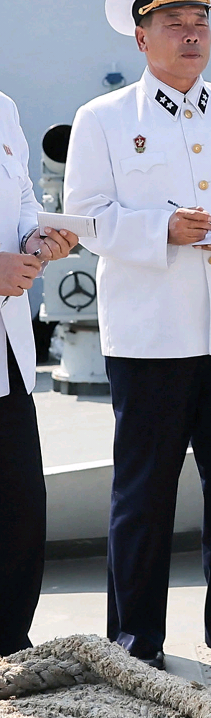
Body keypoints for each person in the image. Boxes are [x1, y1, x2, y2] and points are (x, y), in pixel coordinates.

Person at [63, 0, 211, 670]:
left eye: (199, 19)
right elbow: (84, 218)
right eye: (173, 20)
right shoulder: (101, 118)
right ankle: (135, 635)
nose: (191, 31)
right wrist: (161, 226)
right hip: (151, 337)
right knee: (143, 494)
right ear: (141, 35)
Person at [0, 96, 77, 655]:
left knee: (20, 511)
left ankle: (9, 650)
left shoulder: (3, 108)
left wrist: (35, 238)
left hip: (9, 352)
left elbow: (21, 194)